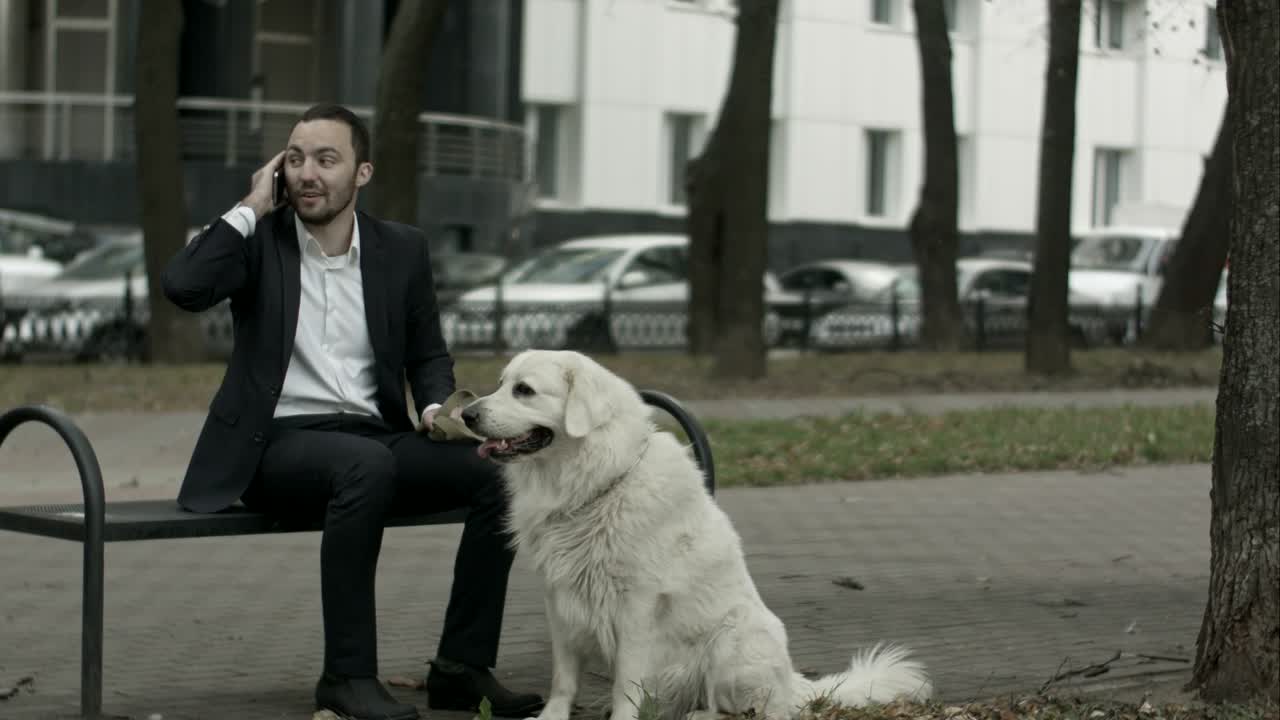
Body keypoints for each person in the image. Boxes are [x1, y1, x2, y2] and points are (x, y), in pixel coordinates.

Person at [161, 103, 543, 720]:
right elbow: (181, 286)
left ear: (361, 173)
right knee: (364, 466)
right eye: (295, 158)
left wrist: (439, 403)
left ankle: (461, 667)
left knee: (497, 474)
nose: (306, 173)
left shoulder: (401, 249)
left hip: (373, 438)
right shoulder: (259, 244)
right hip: (276, 446)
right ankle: (346, 676)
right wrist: (252, 206)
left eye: (325, 159)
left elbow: (426, 352)